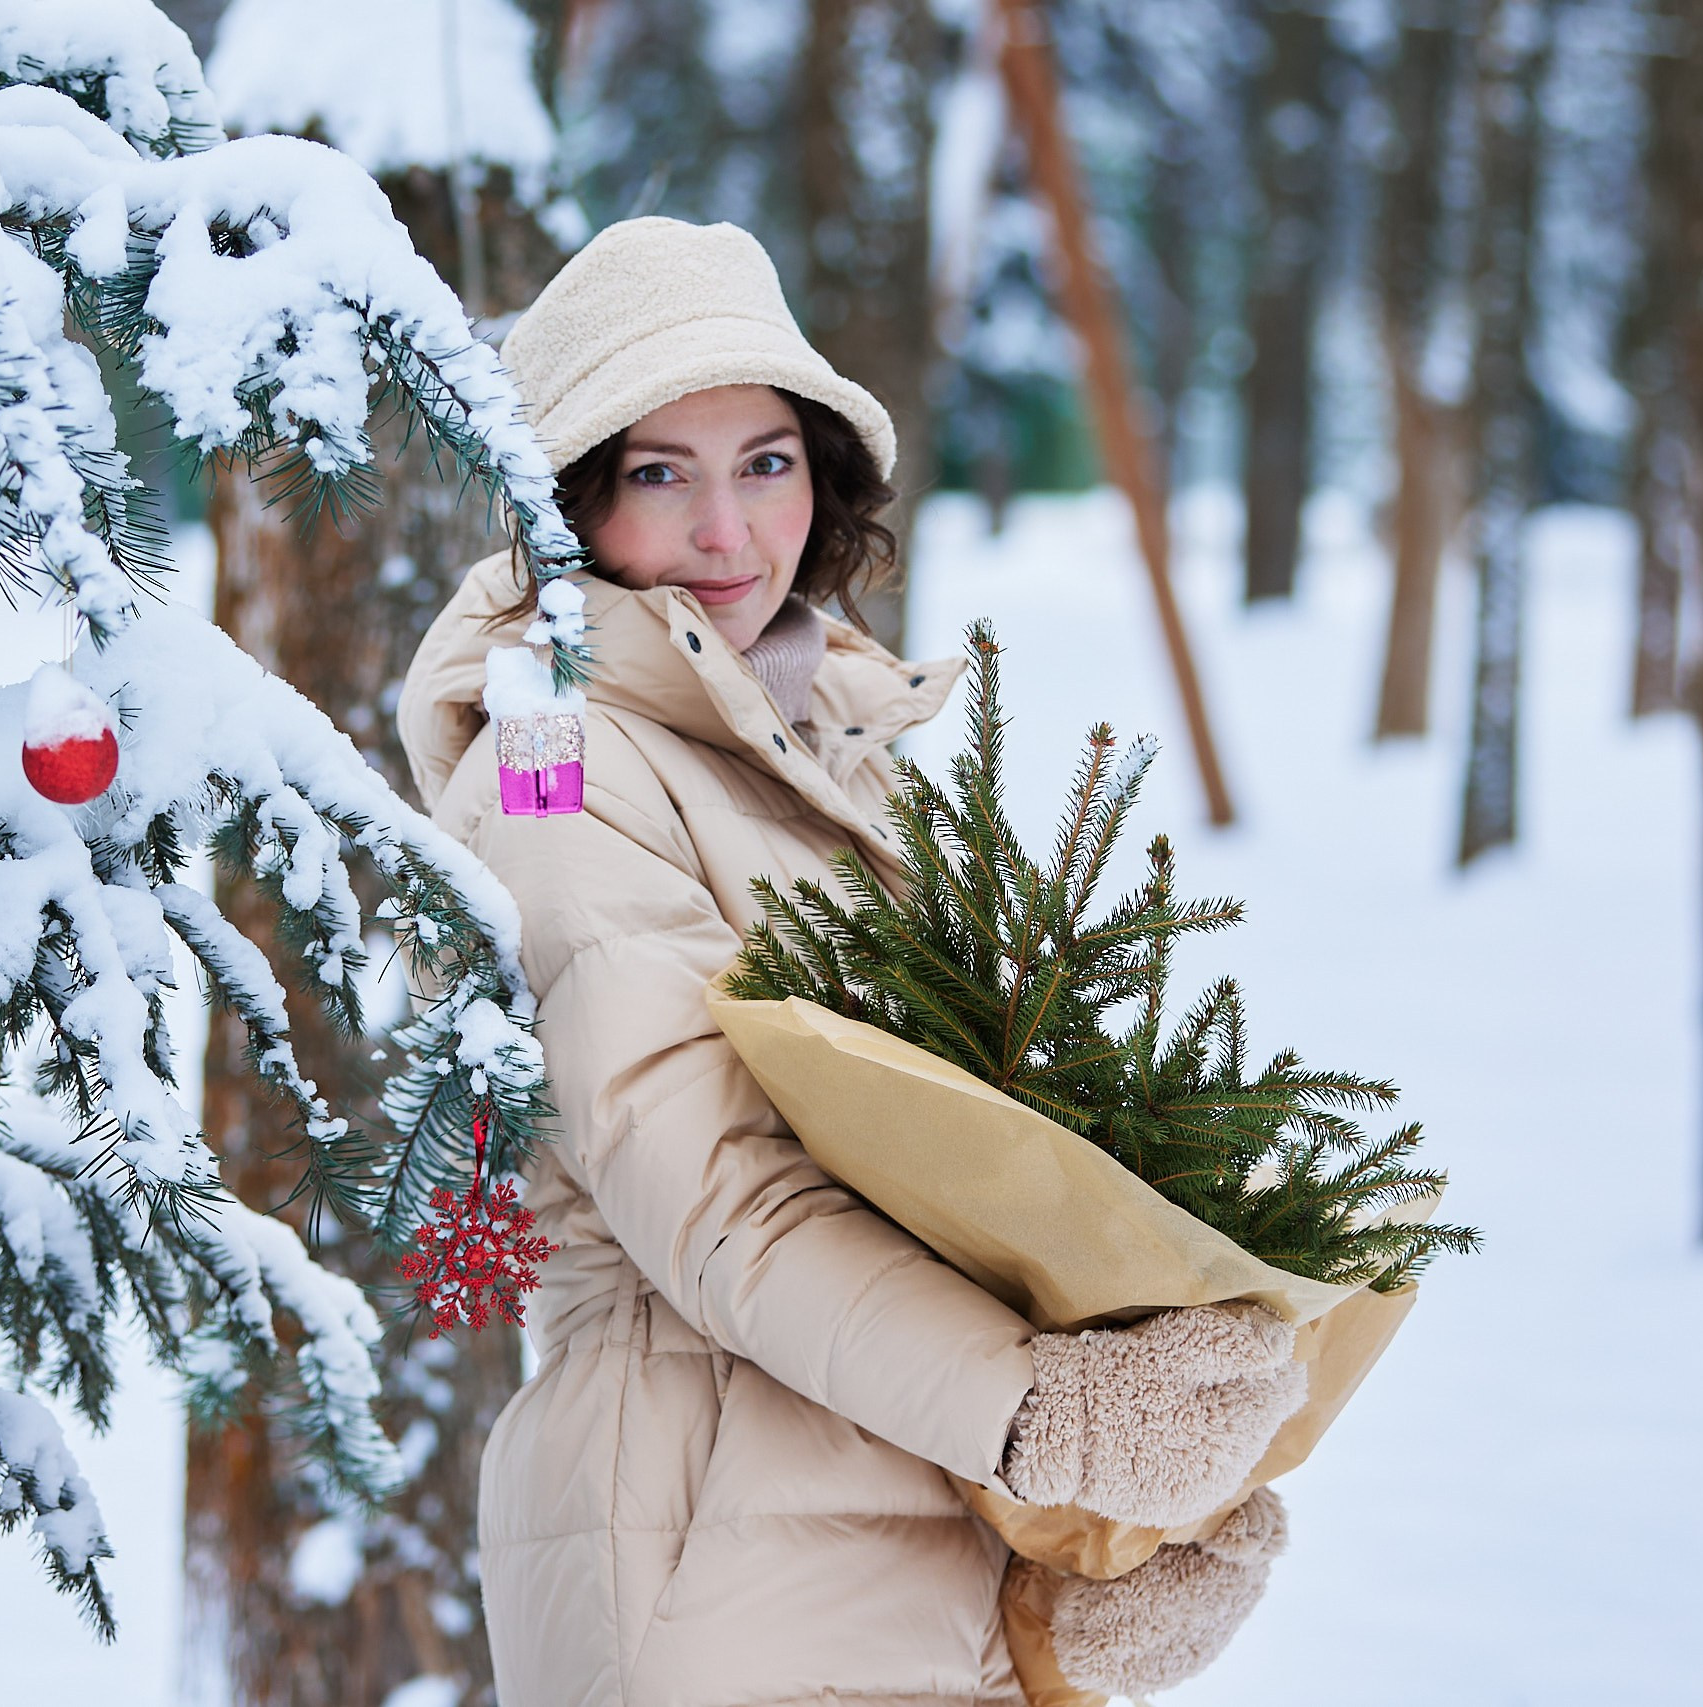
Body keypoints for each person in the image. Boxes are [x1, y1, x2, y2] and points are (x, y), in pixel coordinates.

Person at [399, 218, 1303, 1706]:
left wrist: (1084, 1552)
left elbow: (967, 1175)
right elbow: (711, 1196)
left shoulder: (832, 749)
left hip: (896, 1528)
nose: (727, 531)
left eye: (764, 461)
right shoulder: (555, 776)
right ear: (566, 508)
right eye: (655, 473)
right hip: (702, 1551)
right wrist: (1043, 1418)